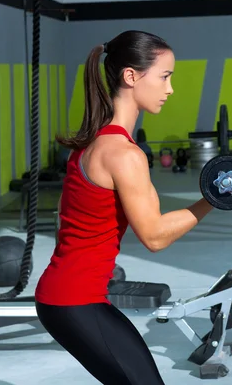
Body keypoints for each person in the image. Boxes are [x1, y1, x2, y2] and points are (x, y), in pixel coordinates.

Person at [34, 30, 214, 385]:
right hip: (75, 301)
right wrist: (211, 201)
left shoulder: (91, 142)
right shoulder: (124, 155)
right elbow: (155, 236)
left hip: (67, 297)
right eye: (164, 76)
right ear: (131, 76)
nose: (170, 88)